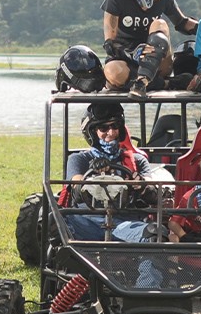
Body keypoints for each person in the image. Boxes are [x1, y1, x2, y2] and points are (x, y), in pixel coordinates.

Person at [101, 0, 198, 97]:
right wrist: (133, 53)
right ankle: (166, 84)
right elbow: (110, 45)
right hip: (127, 61)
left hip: (157, 60)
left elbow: (182, 23)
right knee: (113, 71)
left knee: (160, 24)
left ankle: (142, 81)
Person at [61, 101, 153, 241]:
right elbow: (77, 190)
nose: (111, 132)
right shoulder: (79, 159)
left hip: (126, 223)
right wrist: (93, 173)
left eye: (115, 126)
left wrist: (140, 184)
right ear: (92, 132)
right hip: (87, 221)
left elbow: (153, 194)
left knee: (154, 234)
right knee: (51, 220)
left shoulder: (137, 161)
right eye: (103, 128)